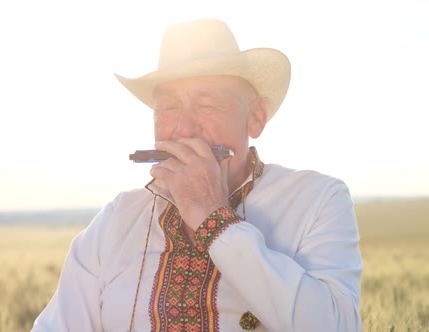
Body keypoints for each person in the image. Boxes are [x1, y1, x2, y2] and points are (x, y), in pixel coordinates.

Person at [31, 18, 362, 332]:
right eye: (169, 108)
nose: (184, 129)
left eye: (208, 105)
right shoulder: (117, 219)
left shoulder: (317, 200)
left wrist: (213, 220)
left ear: (256, 118)